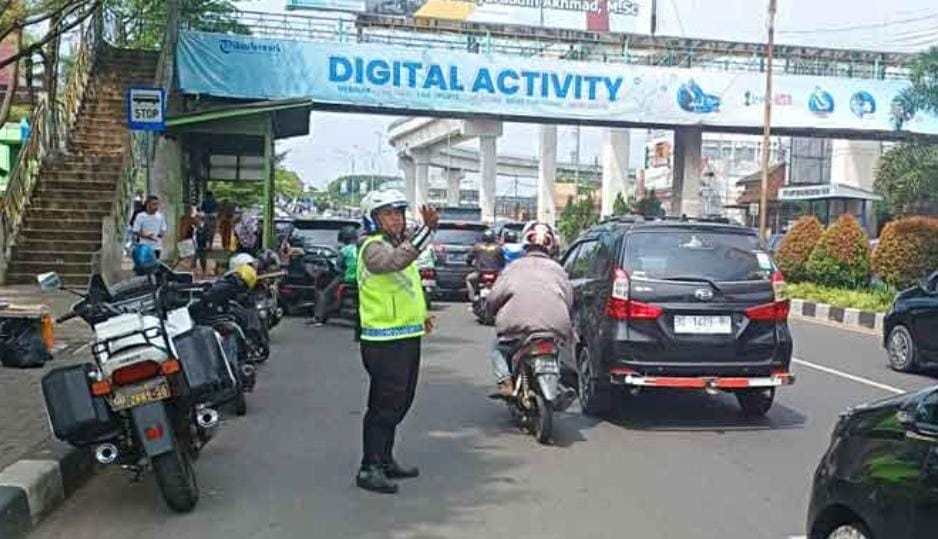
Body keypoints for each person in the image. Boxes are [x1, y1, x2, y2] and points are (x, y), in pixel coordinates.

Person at [355, 189, 438, 495]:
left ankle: (385, 459)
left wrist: (421, 315)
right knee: (384, 405)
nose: (397, 220)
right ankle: (369, 466)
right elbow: (394, 263)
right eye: (388, 214)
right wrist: (426, 231)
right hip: (383, 339)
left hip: (406, 335)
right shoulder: (371, 247)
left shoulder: (395, 244)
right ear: (372, 219)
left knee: (401, 401)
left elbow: (406, 287)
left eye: (400, 214)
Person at [484, 221, 574, 398]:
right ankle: (560, 385)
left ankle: (506, 382)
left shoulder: (513, 267)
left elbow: (494, 297)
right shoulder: (559, 270)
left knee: (498, 349)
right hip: (554, 329)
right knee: (562, 352)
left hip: (517, 330)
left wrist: (490, 311)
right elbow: (569, 300)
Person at [310, 225, 359, 326]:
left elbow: (338, 267)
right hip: (362, 278)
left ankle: (318, 318)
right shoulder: (360, 247)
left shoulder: (345, 250)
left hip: (348, 278)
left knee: (325, 293)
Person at [465, 229, 505, 302]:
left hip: (480, 272)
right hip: (495, 273)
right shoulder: (498, 248)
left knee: (469, 279)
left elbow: (469, 259)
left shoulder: (477, 247)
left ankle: (473, 297)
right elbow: (502, 262)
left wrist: (469, 264)